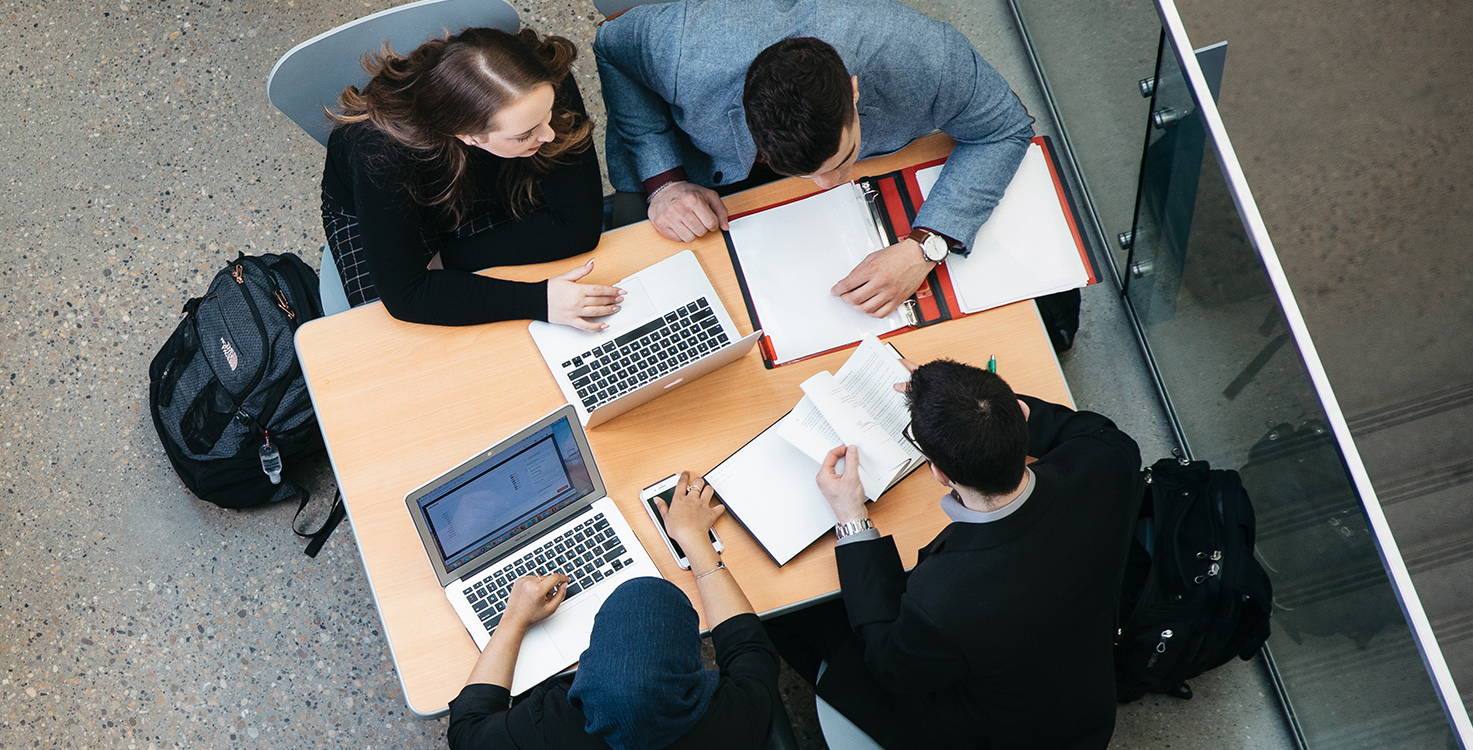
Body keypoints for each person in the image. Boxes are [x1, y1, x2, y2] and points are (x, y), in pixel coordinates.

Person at [767, 359, 1142, 749]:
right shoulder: (1107, 463)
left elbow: (890, 666)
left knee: (790, 613)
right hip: (1082, 694)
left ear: (941, 475)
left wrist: (852, 519)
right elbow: (1091, 430)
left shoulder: (943, 598)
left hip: (996, 732)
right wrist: (973, 408)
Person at [593, 0, 1035, 317]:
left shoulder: (924, 55)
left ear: (855, 91)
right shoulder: (680, 49)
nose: (830, 186)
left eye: (840, 160)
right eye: (810, 174)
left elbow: (1004, 128)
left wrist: (926, 246)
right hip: (703, 175)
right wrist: (664, 180)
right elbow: (611, 48)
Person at [322, 27, 624, 330]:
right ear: (467, 135)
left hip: (492, 175)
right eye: (525, 134)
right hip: (387, 202)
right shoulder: (380, 153)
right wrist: (540, 300)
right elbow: (407, 295)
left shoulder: (537, 82)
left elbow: (577, 227)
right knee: (411, 342)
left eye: (546, 114)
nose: (549, 134)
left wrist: (450, 259)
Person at [447, 481, 783, 750]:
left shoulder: (549, 726)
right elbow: (748, 649)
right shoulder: (737, 718)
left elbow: (466, 730)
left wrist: (513, 619)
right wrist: (696, 540)